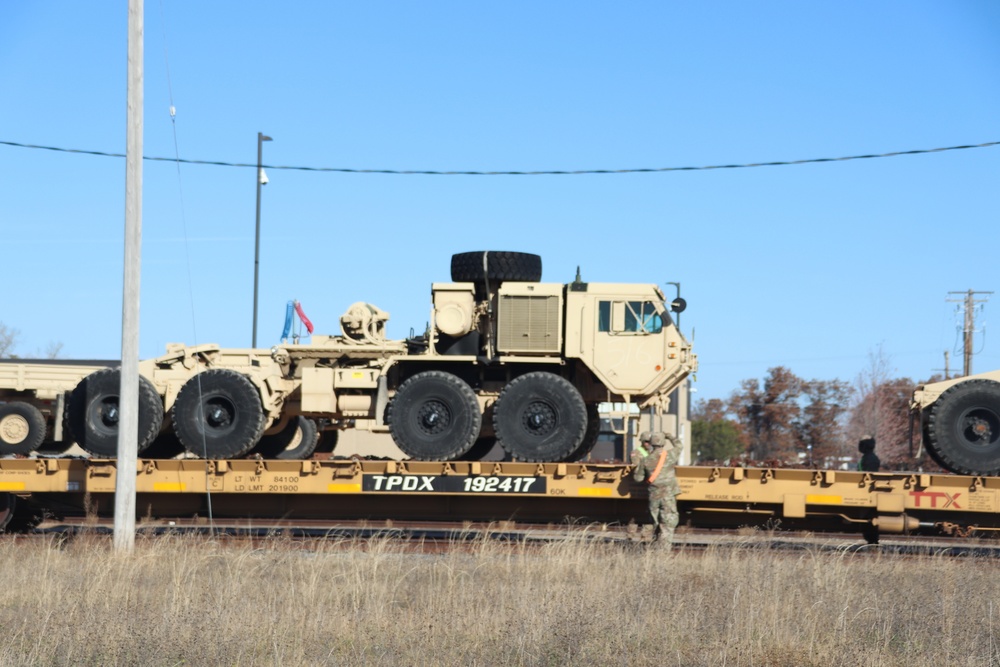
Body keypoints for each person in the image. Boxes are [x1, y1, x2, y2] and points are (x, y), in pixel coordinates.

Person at [632, 431, 682, 548]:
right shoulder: (671, 455)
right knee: (668, 523)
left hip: (653, 496)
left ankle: (653, 547)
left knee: (655, 523)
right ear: (663, 443)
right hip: (668, 495)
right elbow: (679, 445)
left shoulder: (645, 460)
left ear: (650, 443)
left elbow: (638, 478)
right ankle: (663, 551)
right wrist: (670, 435)